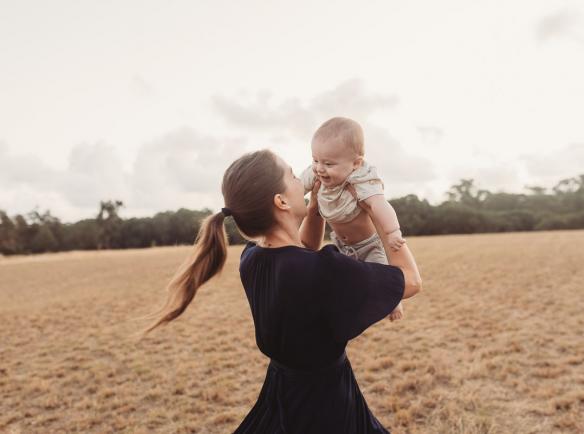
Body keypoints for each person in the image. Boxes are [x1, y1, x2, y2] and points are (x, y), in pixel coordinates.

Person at [141, 149, 422, 433]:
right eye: (291, 174)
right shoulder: (323, 269)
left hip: (282, 396)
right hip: (328, 408)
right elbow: (411, 280)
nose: (303, 178)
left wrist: (314, 208)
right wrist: (377, 208)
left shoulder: (252, 259)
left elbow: (301, 253)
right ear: (281, 201)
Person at [300, 117, 406, 321]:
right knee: (337, 282)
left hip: (370, 246)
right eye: (315, 160)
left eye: (328, 163)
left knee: (383, 277)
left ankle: (394, 300)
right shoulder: (316, 174)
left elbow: (379, 204)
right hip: (340, 245)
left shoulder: (361, 179)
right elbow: (296, 188)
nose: (320, 168)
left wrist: (393, 232)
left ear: (356, 163)